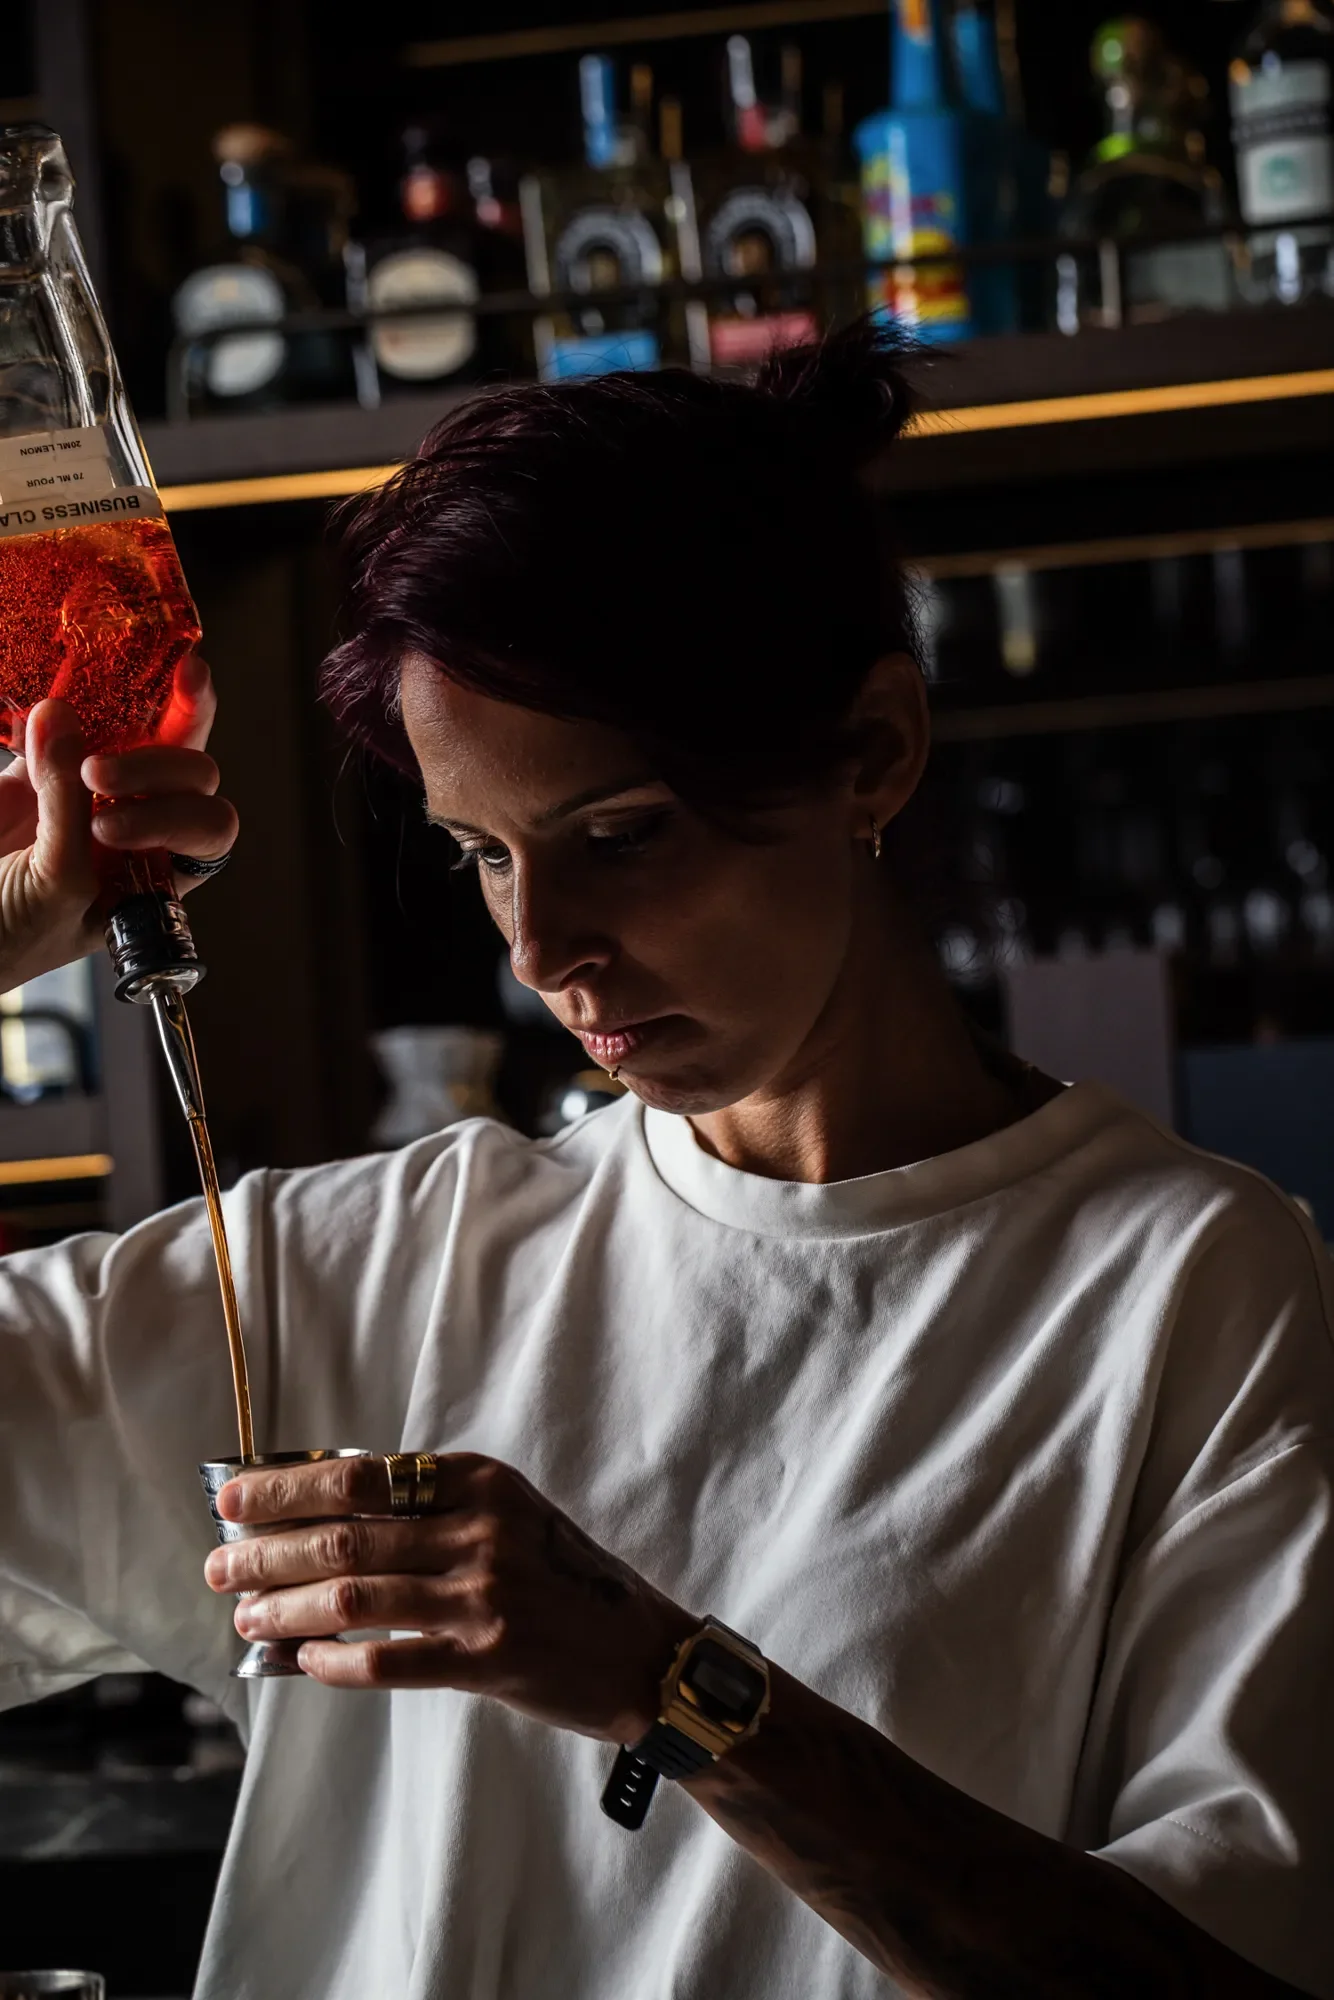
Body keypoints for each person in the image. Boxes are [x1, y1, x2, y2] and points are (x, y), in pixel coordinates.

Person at [0, 324, 1330, 2000]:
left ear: (874, 755)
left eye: (616, 836)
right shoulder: (369, 1267)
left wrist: (665, 1681)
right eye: (482, 852)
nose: (540, 949)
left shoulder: (1187, 1290)